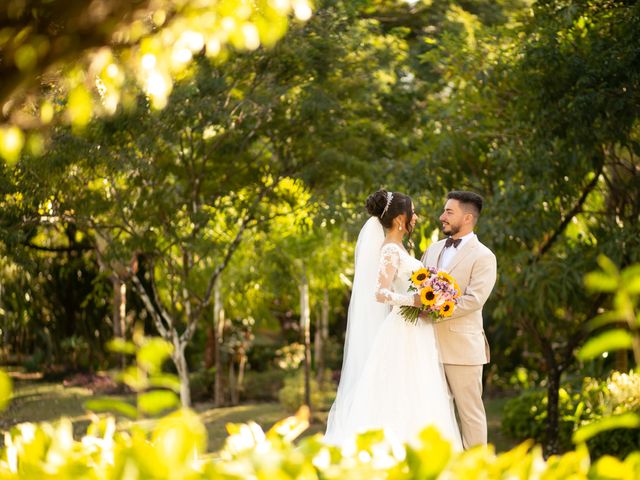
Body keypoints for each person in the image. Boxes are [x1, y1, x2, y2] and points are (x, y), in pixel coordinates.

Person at [324, 190, 462, 450]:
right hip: (402, 328)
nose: (417, 217)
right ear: (401, 218)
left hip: (416, 327)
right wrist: (417, 301)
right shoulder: (389, 249)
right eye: (413, 212)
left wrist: (431, 299)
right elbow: (380, 292)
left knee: (419, 388)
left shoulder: (400, 247)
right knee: (399, 387)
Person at [421, 190, 497, 449]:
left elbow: (474, 300)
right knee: (434, 413)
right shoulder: (432, 250)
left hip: (463, 350)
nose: (442, 216)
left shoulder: (484, 256)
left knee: (470, 414)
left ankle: (476, 471)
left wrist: (433, 311)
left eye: (448, 212)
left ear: (467, 218)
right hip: (426, 346)